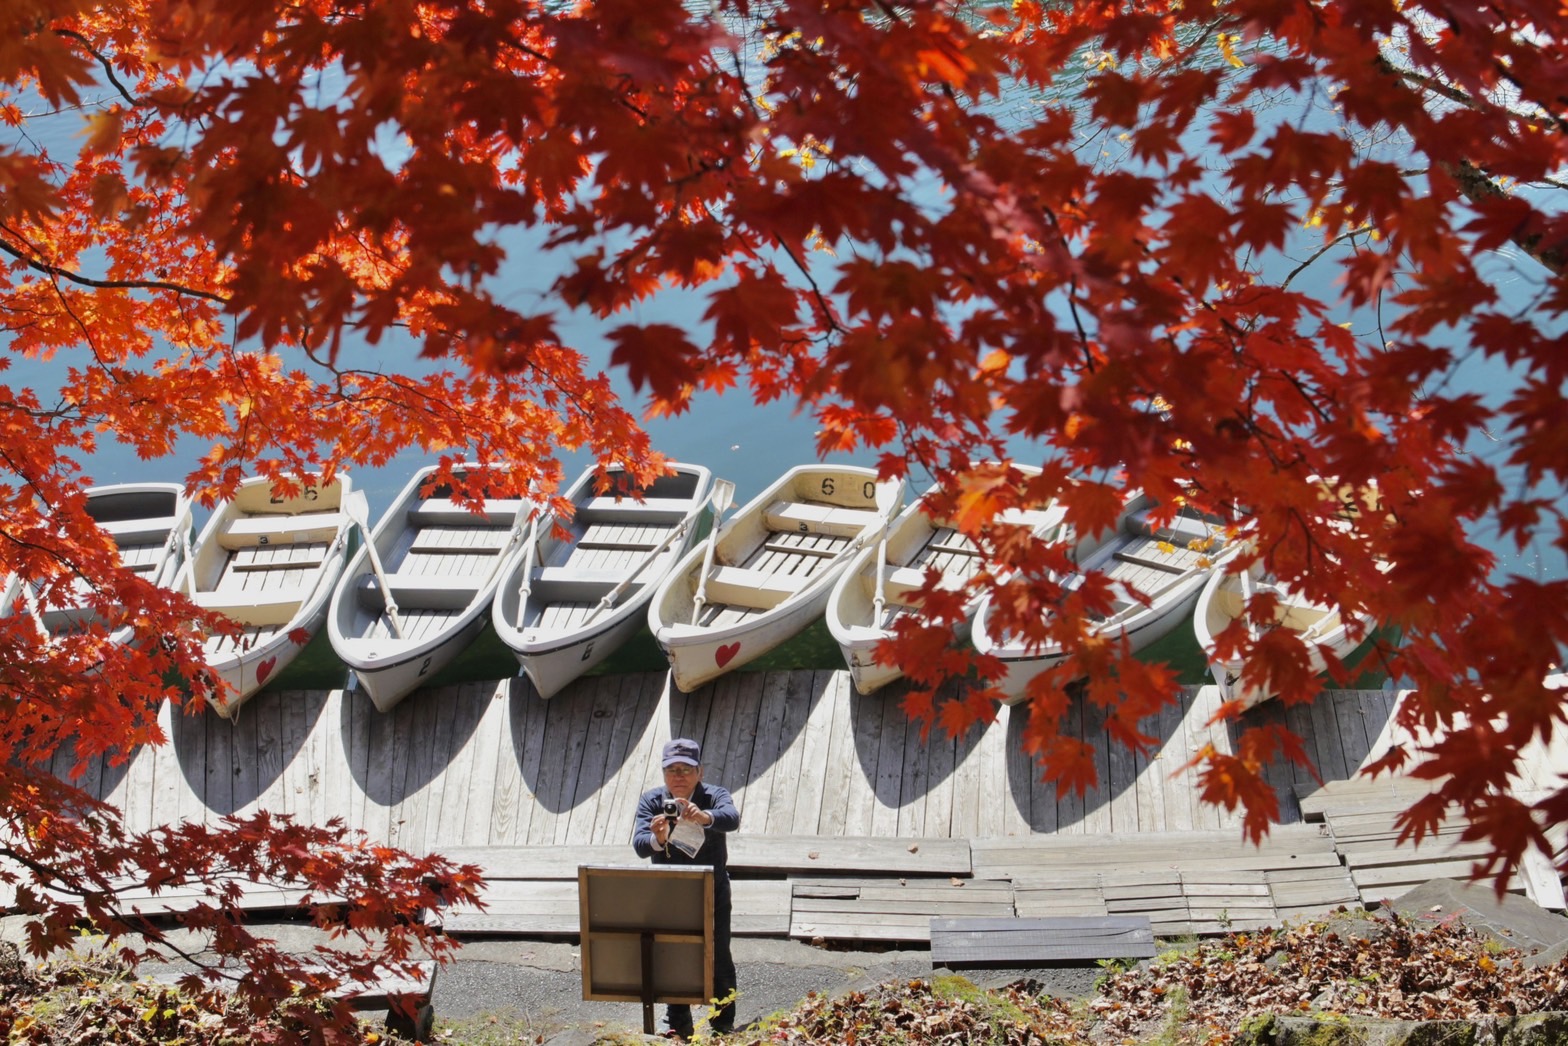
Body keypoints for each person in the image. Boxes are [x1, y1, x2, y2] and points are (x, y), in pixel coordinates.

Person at [633, 738, 741, 1039]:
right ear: (663, 773)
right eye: (671, 770)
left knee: (719, 955)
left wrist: (705, 817)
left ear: (699, 772)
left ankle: (723, 1024)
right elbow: (640, 846)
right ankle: (678, 1025)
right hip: (669, 893)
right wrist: (660, 838)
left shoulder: (714, 795)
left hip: (712, 890)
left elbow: (732, 819)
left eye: (685, 769)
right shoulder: (653, 801)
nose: (678, 776)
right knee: (672, 956)